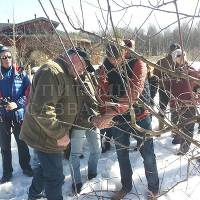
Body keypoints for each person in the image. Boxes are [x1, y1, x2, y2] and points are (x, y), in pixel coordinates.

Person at [20, 47, 94, 200]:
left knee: (42, 171)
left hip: (50, 133)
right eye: (83, 66)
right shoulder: (52, 72)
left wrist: (94, 119)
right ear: (75, 60)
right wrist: (60, 134)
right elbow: (42, 110)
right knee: (55, 178)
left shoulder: (69, 74)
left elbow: (73, 107)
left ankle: (32, 196)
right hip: (46, 136)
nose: (84, 71)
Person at [93, 42, 159, 200]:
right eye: (110, 58)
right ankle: (126, 186)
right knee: (121, 154)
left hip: (140, 115)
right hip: (119, 118)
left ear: (124, 52)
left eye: (117, 58)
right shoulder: (106, 66)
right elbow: (103, 92)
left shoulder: (138, 62)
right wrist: (104, 114)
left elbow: (133, 93)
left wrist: (109, 114)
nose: (114, 61)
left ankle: (153, 188)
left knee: (148, 154)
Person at [68, 48, 101, 194]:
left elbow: (95, 99)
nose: (83, 68)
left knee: (97, 150)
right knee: (75, 154)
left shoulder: (90, 77)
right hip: (78, 123)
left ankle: (92, 174)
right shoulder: (69, 79)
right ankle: (76, 182)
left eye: (85, 64)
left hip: (94, 122)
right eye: (81, 64)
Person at [0, 45, 33, 184]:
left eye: (8, 56)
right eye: (3, 57)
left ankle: (26, 167)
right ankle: (7, 173)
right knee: (5, 146)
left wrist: (17, 104)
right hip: (2, 115)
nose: (7, 59)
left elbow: (29, 91)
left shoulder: (20, 72)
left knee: (22, 142)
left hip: (18, 114)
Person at [164, 49, 200, 155]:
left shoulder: (192, 71)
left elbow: (198, 85)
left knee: (188, 127)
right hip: (177, 103)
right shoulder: (173, 72)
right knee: (178, 123)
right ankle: (179, 138)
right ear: (175, 59)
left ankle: (184, 149)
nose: (182, 57)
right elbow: (170, 87)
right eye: (179, 55)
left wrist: (196, 97)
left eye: (184, 55)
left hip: (189, 104)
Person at [154, 43, 181, 129]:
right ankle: (165, 128)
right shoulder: (162, 61)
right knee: (166, 108)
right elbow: (155, 77)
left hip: (173, 89)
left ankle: (172, 129)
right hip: (166, 89)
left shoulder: (180, 62)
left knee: (171, 109)